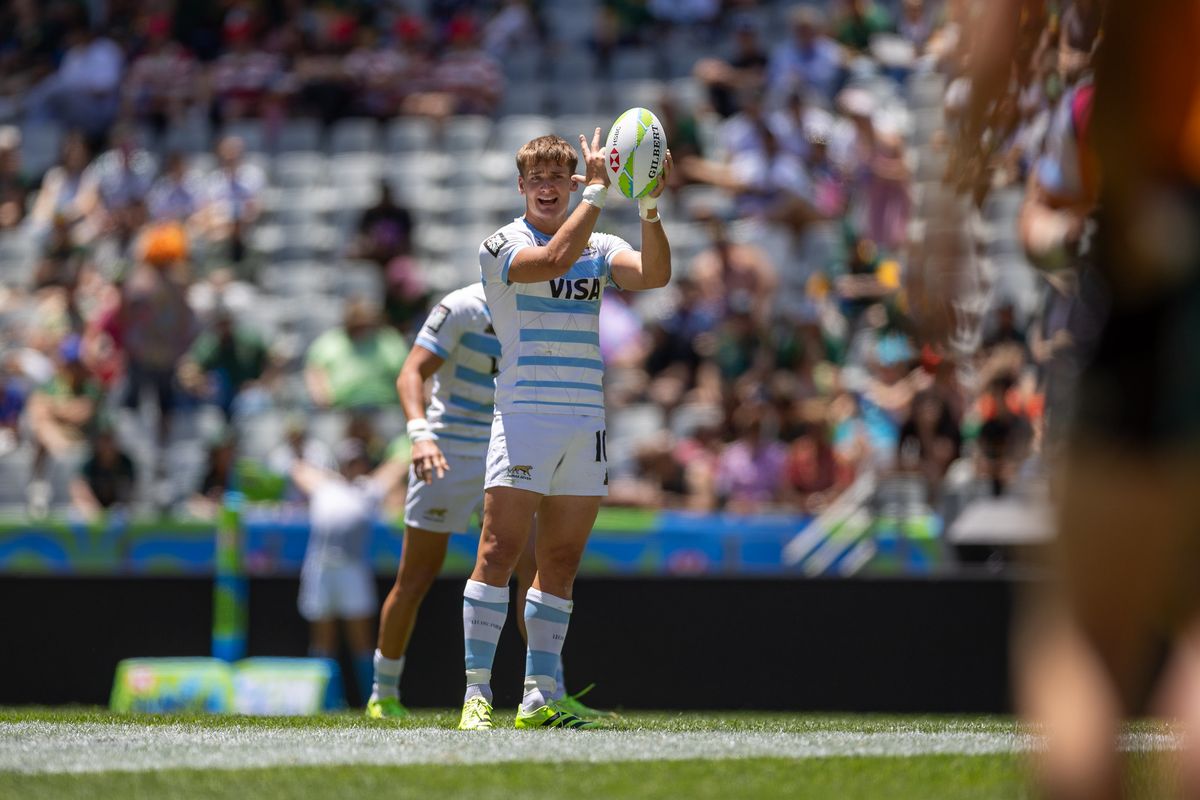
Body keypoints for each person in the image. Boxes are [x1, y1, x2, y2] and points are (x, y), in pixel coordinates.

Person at [457, 129, 672, 731]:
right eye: (537, 179)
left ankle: (538, 696)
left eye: (558, 177)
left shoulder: (599, 242)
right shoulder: (501, 245)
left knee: (560, 560)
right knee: (498, 551)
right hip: (524, 416)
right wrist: (598, 193)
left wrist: (649, 202)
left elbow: (654, 274)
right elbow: (552, 260)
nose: (547, 188)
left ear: (570, 182)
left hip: (584, 420)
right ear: (521, 186)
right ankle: (477, 693)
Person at [368, 282, 608, 722]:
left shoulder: (543, 303)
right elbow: (411, 372)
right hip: (449, 450)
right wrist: (420, 435)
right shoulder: (462, 307)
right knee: (416, 576)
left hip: (510, 444)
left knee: (532, 568)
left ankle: (550, 691)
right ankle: (382, 692)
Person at [291, 439, 410, 707]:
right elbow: (298, 469)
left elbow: (396, 468)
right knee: (323, 640)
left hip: (353, 570)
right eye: (348, 461)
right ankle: (324, 702)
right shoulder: (325, 487)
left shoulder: (369, 489)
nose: (352, 465)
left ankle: (372, 698)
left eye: (357, 461)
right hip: (320, 568)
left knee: (361, 640)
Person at [304, 299, 409, 409]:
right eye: (357, 325)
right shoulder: (328, 343)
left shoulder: (389, 341)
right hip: (341, 409)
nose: (362, 330)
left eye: (365, 324)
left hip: (385, 408)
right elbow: (315, 372)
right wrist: (323, 400)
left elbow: (406, 373)